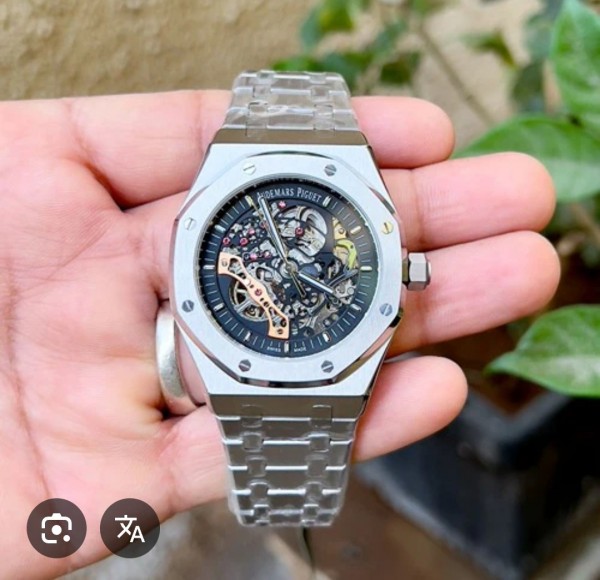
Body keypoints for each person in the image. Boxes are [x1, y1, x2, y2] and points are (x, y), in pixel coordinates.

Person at [0, 91, 559, 577]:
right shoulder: (244, 253)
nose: (294, 261)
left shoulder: (345, 266)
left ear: (405, 269)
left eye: (307, 248)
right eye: (291, 246)